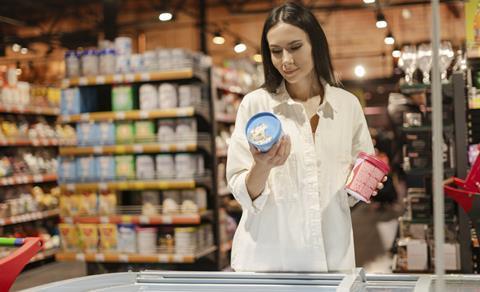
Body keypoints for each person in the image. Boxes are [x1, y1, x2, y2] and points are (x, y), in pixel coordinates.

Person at [226, 2, 386, 272]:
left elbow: (353, 190)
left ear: (315, 44)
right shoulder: (255, 106)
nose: (286, 60)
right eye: (276, 51)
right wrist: (262, 166)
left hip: (332, 258)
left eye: (295, 47)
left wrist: (364, 185)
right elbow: (242, 192)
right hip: (268, 262)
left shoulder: (346, 106)